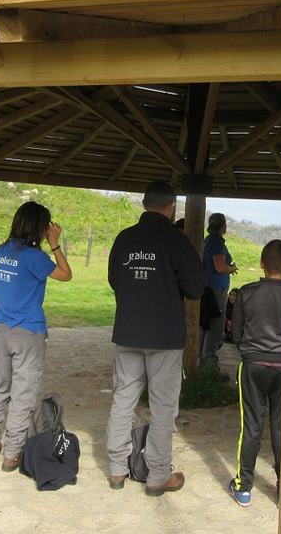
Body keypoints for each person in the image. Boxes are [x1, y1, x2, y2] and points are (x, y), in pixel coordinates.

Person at [105, 181, 203, 496]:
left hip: (128, 332)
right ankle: (158, 476)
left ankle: (117, 470)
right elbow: (196, 288)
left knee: (123, 400)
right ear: (171, 207)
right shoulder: (177, 240)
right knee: (162, 408)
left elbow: (114, 280)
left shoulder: (124, 239)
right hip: (165, 337)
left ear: (144, 204)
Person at [0, 201, 73, 471]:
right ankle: (12, 453)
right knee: (23, 393)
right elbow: (66, 275)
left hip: (0, 330)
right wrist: (55, 245)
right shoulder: (35, 257)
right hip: (28, 331)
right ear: (40, 228)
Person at [228, 239, 281, 506]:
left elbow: (236, 333)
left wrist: (250, 352)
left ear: (262, 264)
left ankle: (244, 487)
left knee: (251, 426)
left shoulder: (246, 292)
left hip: (253, 365)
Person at [202, 212, 237, 362]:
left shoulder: (208, 240)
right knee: (215, 326)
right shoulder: (216, 242)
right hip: (216, 289)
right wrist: (231, 268)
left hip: (208, 287)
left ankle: (202, 359)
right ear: (223, 226)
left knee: (205, 325)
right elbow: (220, 267)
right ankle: (208, 362)